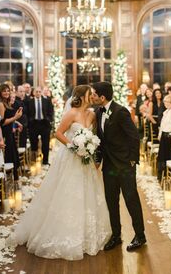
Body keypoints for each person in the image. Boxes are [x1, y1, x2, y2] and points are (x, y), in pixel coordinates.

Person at [8, 85, 111, 260]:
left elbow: (94, 135)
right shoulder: (71, 113)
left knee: (89, 194)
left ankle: (88, 234)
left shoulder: (93, 115)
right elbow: (58, 133)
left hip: (86, 161)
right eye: (90, 93)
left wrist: (90, 148)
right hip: (71, 158)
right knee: (69, 193)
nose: (92, 96)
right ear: (82, 96)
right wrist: (74, 146)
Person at [92, 81, 146, 252]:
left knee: (131, 200)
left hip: (124, 164)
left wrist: (132, 160)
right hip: (109, 166)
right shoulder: (98, 112)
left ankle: (140, 235)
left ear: (102, 97)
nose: (91, 97)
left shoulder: (120, 111)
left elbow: (134, 136)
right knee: (111, 201)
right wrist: (98, 159)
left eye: (94, 94)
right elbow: (101, 140)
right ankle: (116, 235)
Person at [27, 86, 54, 164]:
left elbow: (51, 111)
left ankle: (45, 161)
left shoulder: (47, 101)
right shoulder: (30, 101)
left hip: (44, 124)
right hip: (33, 124)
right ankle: (34, 160)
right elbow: (28, 113)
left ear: (41, 92)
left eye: (39, 91)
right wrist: (30, 121)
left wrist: (48, 119)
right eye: (36, 91)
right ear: (33, 92)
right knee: (34, 143)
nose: (38, 93)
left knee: (45, 144)